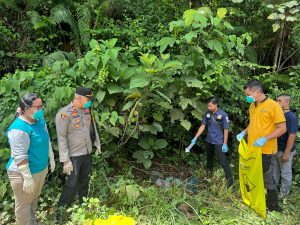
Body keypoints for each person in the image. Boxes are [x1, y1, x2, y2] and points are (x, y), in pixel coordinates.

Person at [236, 80, 286, 212]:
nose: (247, 97)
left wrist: (265, 138)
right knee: (254, 176)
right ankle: (256, 199)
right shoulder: (253, 106)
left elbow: (282, 128)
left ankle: (273, 207)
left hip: (267, 150)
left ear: (257, 91)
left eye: (248, 94)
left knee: (269, 179)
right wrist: (244, 132)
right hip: (253, 149)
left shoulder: (273, 106)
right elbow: (253, 124)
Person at [6, 93, 55, 225]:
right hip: (23, 174)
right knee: (24, 204)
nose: (41, 109)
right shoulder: (18, 128)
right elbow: (20, 156)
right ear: (26, 108)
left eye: (41, 106)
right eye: (37, 107)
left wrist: (51, 158)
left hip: (40, 169)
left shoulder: (39, 120)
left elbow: (46, 140)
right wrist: (27, 178)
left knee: (33, 199)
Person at [56, 86, 101, 209]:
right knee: (71, 184)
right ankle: (61, 211)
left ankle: (84, 206)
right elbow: (61, 138)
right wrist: (66, 161)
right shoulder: (64, 114)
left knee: (84, 182)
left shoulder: (87, 110)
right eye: (88, 100)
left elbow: (93, 127)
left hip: (87, 153)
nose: (90, 102)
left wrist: (97, 142)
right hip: (73, 156)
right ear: (79, 98)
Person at [190, 97, 233, 187]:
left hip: (219, 141)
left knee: (223, 161)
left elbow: (226, 130)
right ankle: (208, 177)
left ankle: (230, 183)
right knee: (209, 159)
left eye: (211, 106)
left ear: (216, 104)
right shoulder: (207, 114)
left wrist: (225, 143)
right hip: (209, 140)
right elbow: (203, 126)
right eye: (208, 106)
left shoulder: (223, 115)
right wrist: (195, 137)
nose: (209, 108)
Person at [274, 94, 298, 197]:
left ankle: (284, 195)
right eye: (276, 100)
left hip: (285, 150)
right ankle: (273, 192)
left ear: (287, 103)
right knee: (274, 173)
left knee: (285, 173)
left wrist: (286, 153)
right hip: (275, 149)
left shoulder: (291, 117)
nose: (277, 102)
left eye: (279, 101)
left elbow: (292, 136)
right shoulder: (278, 114)